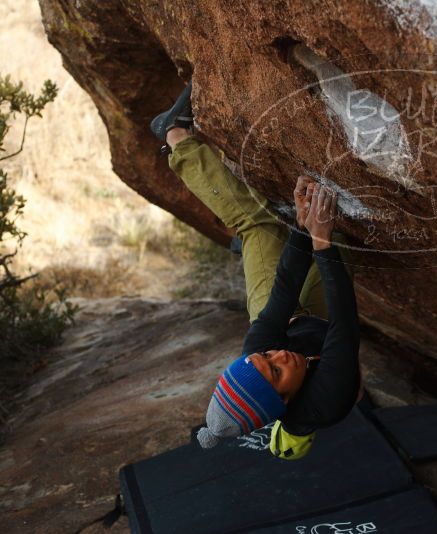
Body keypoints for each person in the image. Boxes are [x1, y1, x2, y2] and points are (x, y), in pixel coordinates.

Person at [150, 81, 361, 459]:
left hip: (293, 319)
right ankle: (254, 246)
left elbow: (283, 288)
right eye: (277, 372)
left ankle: (177, 136)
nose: (279, 357)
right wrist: (323, 241)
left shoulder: (257, 351)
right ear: (283, 400)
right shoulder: (328, 398)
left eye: (265, 360)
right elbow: (345, 321)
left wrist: (301, 225)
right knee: (339, 240)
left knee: (259, 224)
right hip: (324, 327)